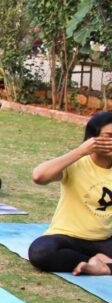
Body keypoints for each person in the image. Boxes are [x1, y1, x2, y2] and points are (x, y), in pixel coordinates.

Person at [28, 111, 112, 276]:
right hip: (68, 238)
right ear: (92, 139)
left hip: (105, 240)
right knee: (41, 252)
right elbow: (39, 176)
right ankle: (95, 261)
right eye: (109, 137)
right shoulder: (77, 163)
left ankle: (104, 267)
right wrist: (80, 151)